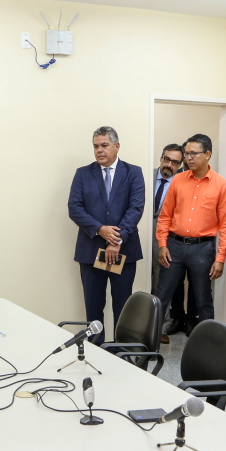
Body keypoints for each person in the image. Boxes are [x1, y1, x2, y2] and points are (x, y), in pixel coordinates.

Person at [68, 126, 145, 345]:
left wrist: (117, 239)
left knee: (123, 306)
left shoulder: (133, 172)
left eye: (104, 145)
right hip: (91, 251)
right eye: (95, 146)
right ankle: (95, 352)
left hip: (123, 251)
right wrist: (101, 229)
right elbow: (74, 208)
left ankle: (121, 354)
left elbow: (136, 208)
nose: (99, 150)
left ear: (117, 146)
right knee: (93, 308)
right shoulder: (83, 173)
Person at [155, 134, 226, 325]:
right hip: (174, 246)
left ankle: (206, 341)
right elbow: (165, 216)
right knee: (162, 296)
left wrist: (220, 259)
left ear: (207, 154)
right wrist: (162, 244)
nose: (188, 158)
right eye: (187, 154)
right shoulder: (178, 180)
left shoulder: (221, 184)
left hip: (203, 249)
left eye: (193, 153)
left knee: (203, 299)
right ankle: (151, 341)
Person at [150, 144, 195, 344]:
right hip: (142, 231)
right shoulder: (147, 175)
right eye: (166, 159)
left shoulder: (185, 181)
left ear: (180, 164)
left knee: (162, 282)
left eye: (175, 162)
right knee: (142, 276)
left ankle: (159, 327)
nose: (169, 165)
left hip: (168, 236)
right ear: (161, 157)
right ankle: (140, 324)